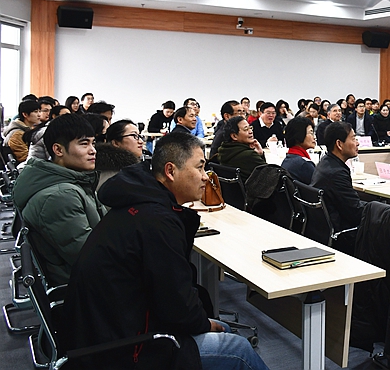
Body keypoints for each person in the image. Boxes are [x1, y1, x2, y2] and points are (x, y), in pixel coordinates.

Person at [61, 132, 270, 370]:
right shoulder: (156, 221)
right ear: (170, 171)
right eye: (200, 168)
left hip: (111, 328)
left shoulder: (140, 204)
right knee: (238, 350)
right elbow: (176, 302)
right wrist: (202, 323)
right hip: (125, 347)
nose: (205, 178)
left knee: (223, 329)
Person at [12, 114, 105, 286]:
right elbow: (92, 258)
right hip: (87, 288)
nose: (93, 150)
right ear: (58, 150)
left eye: (93, 143)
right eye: (84, 144)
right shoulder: (60, 196)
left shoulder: (72, 182)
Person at [309, 122, 364, 248]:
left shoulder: (326, 162)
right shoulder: (336, 173)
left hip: (323, 230)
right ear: (339, 144)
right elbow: (356, 213)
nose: (357, 143)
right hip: (344, 235)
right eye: (353, 138)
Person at [96, 119, 143, 189]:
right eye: (134, 136)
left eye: (140, 136)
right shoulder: (111, 172)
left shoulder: (132, 168)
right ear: (116, 143)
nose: (141, 141)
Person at [217, 116, 266, 181]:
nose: (250, 131)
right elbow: (270, 174)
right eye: (246, 129)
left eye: (250, 128)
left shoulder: (223, 151)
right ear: (234, 136)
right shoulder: (249, 155)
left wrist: (260, 154)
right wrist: (260, 155)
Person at [281, 117, 317, 184]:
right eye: (311, 133)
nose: (314, 137)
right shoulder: (304, 164)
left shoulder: (290, 158)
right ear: (299, 135)